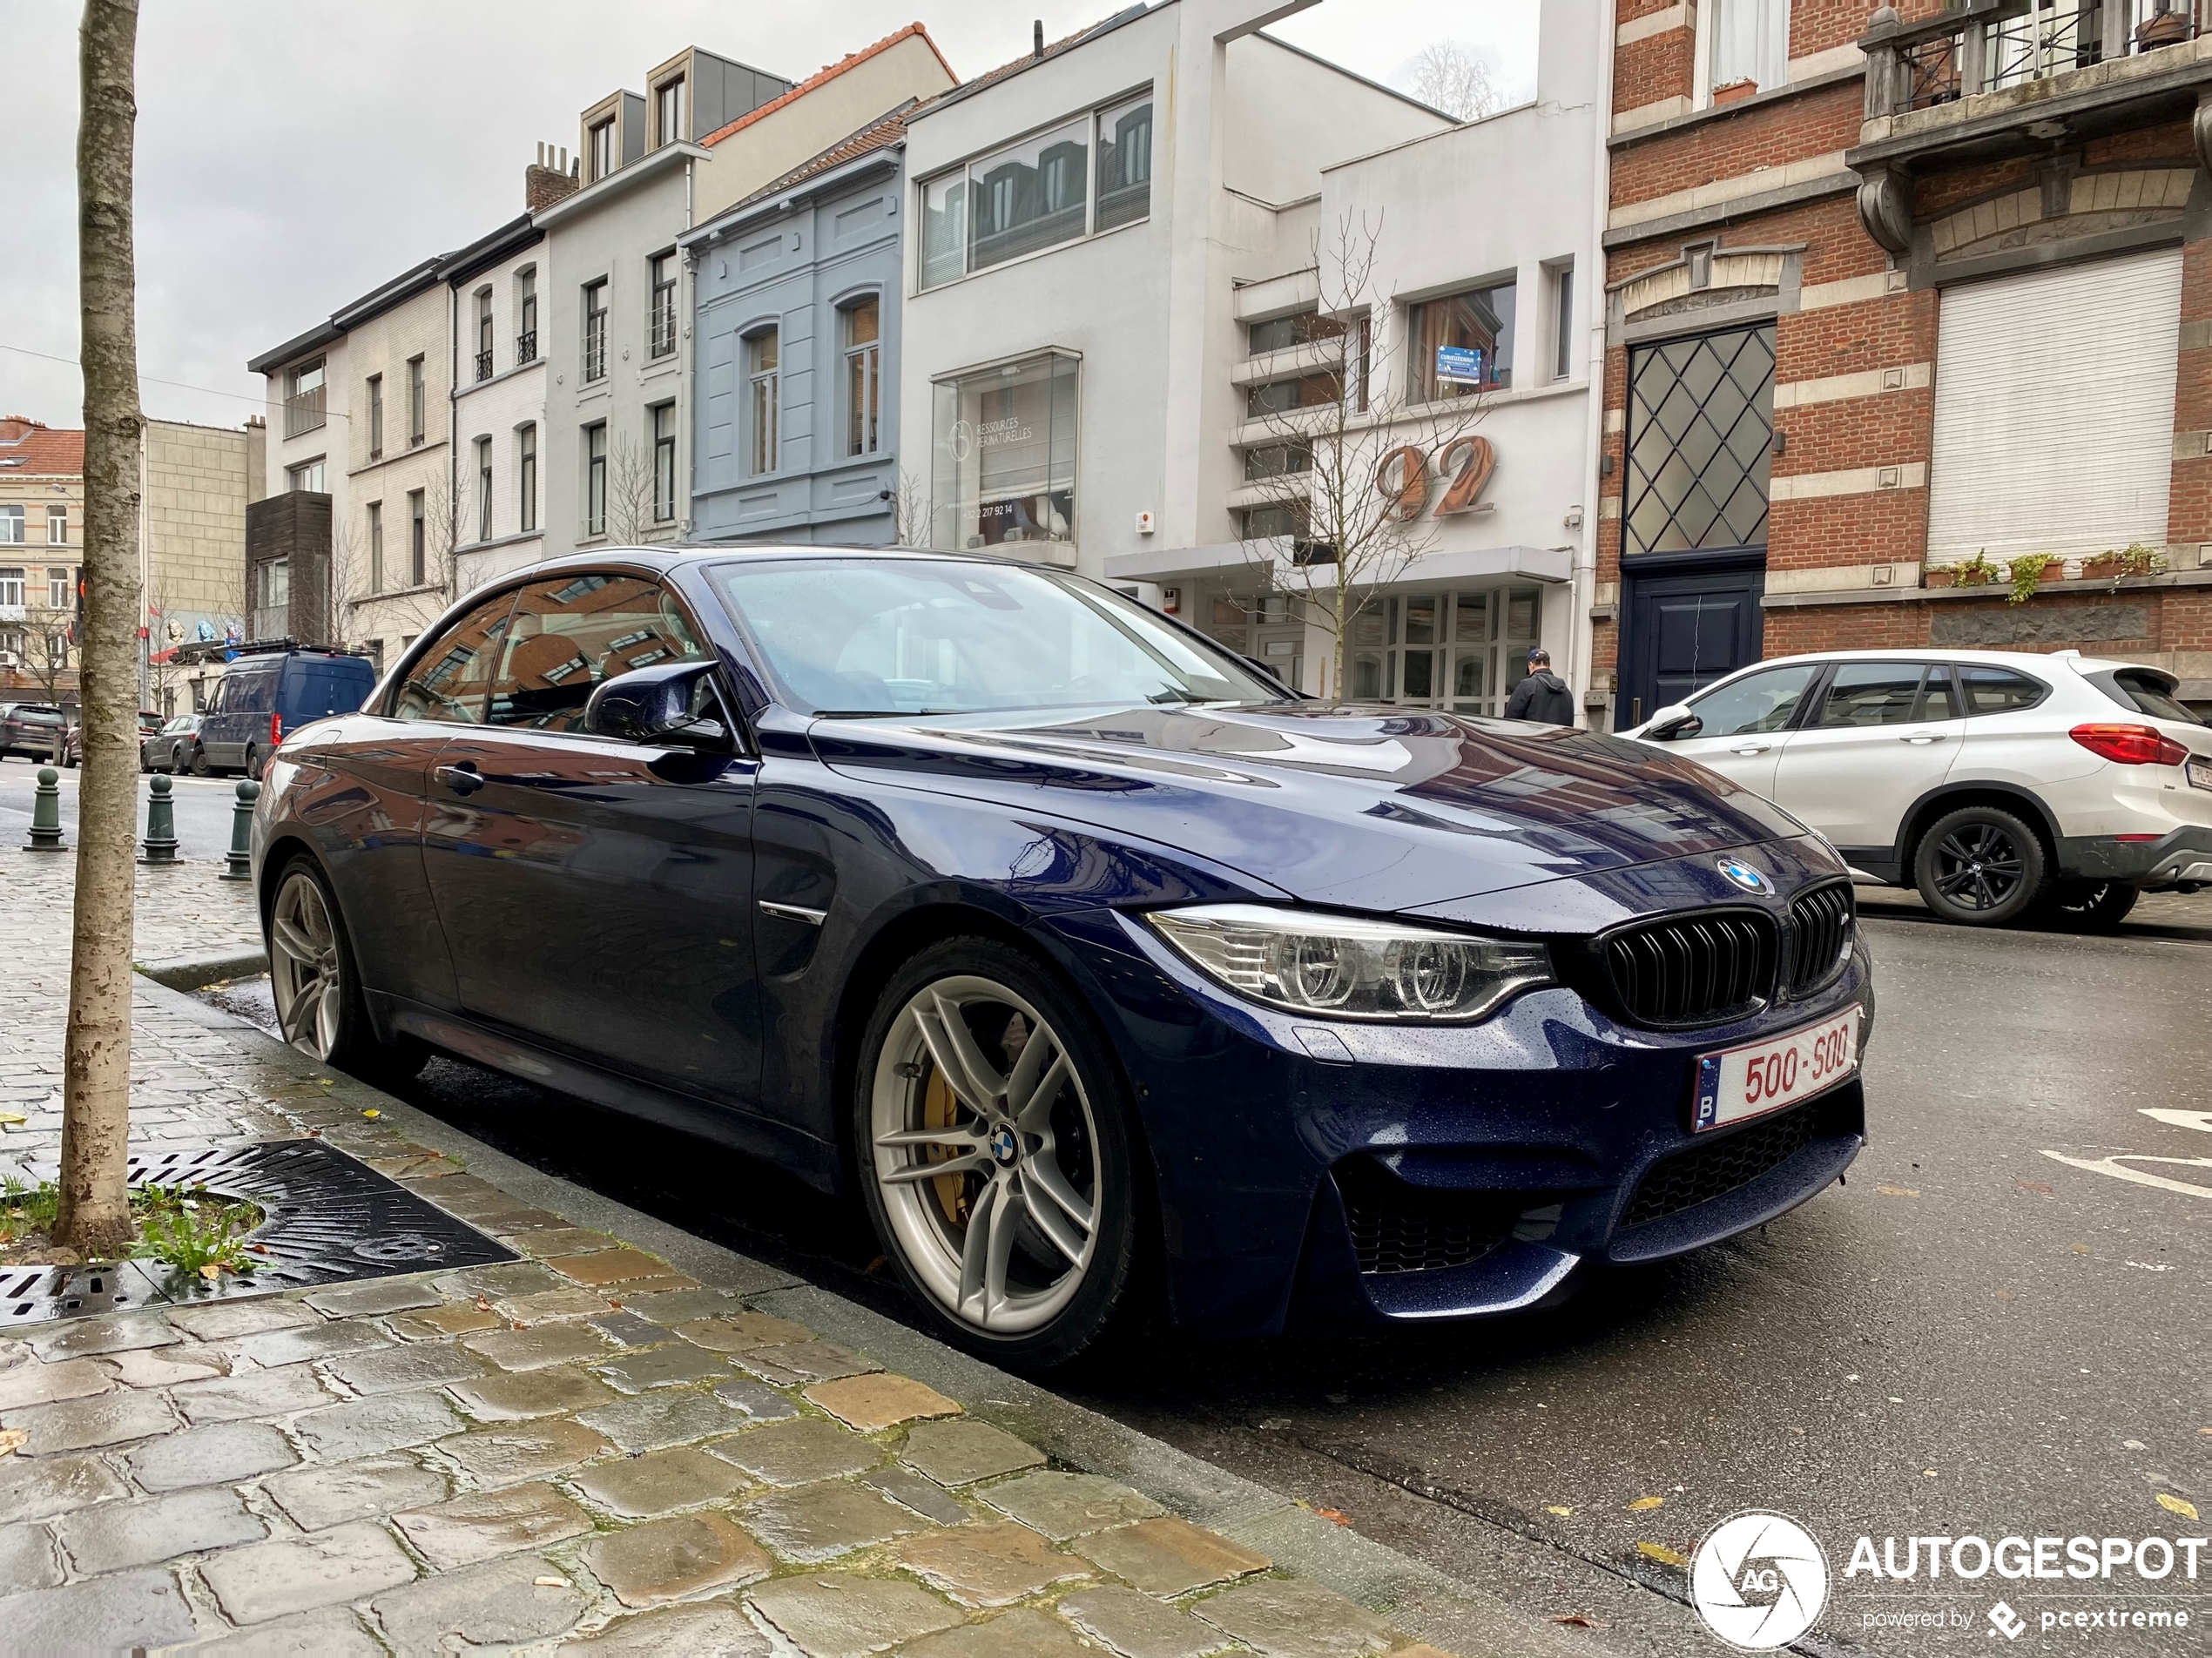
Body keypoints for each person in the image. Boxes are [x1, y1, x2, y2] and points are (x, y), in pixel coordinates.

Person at [1503, 646, 1576, 726]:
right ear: (1549, 665)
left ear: (1531, 665)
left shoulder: (1527, 686)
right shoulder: (1565, 690)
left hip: (1532, 737)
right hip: (1559, 738)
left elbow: (1510, 719)